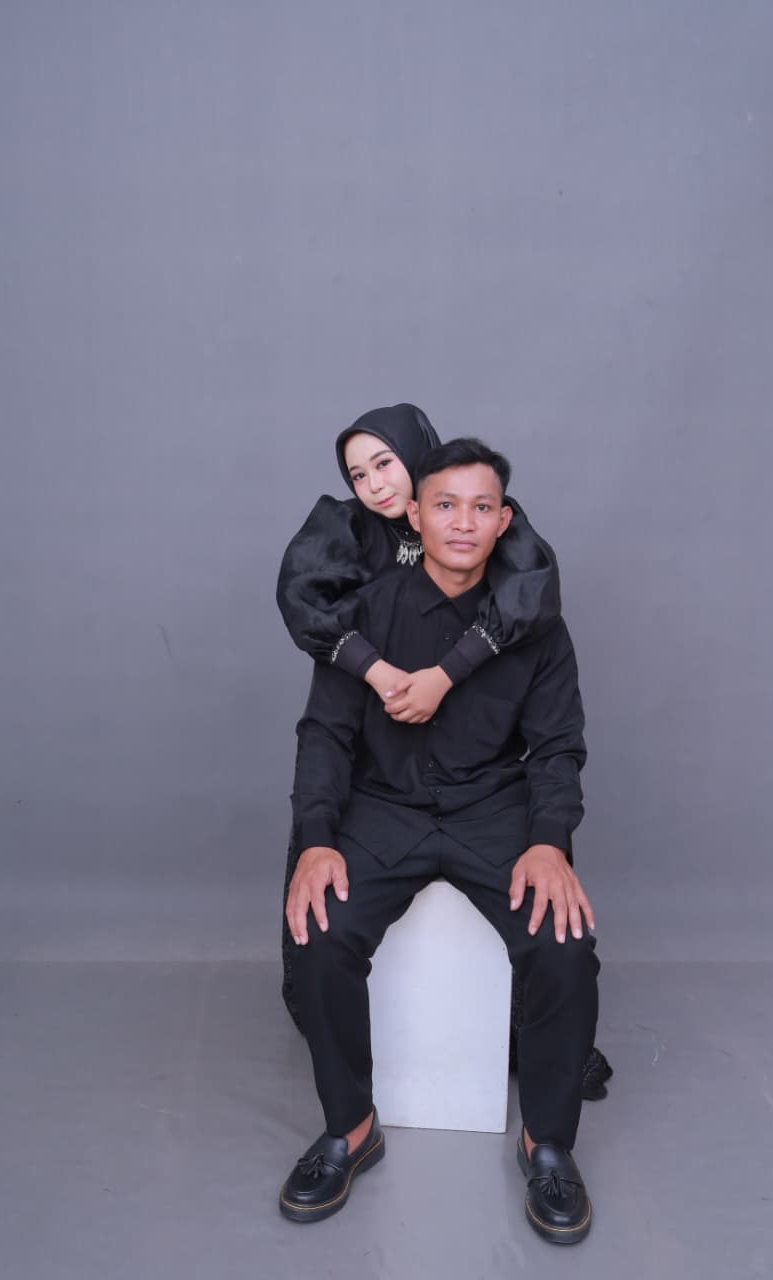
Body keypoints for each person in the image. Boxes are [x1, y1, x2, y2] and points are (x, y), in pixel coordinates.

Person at [279, 439, 600, 1243]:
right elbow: (324, 734)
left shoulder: (535, 625)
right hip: (382, 809)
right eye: (445, 505)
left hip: (493, 810)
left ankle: (547, 1143)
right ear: (415, 517)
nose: (463, 522)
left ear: (504, 521)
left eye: (481, 507)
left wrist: (548, 840)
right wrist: (316, 838)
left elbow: (556, 746)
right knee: (318, 935)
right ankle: (350, 1128)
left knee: (563, 946)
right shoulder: (363, 613)